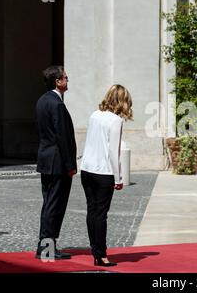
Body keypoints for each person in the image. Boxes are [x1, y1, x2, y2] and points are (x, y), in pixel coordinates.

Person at [80, 84, 133, 267]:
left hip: (87, 169)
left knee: (91, 211)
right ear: (123, 101)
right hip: (103, 172)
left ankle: (95, 250)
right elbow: (113, 152)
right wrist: (118, 179)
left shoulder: (94, 115)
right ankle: (101, 255)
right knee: (101, 214)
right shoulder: (116, 121)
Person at [35, 66, 77, 260]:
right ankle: (46, 248)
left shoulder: (42, 101)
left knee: (48, 204)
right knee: (55, 206)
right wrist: (71, 166)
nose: (67, 81)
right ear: (58, 82)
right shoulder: (57, 104)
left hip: (46, 159)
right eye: (65, 78)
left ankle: (45, 246)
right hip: (58, 163)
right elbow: (63, 137)